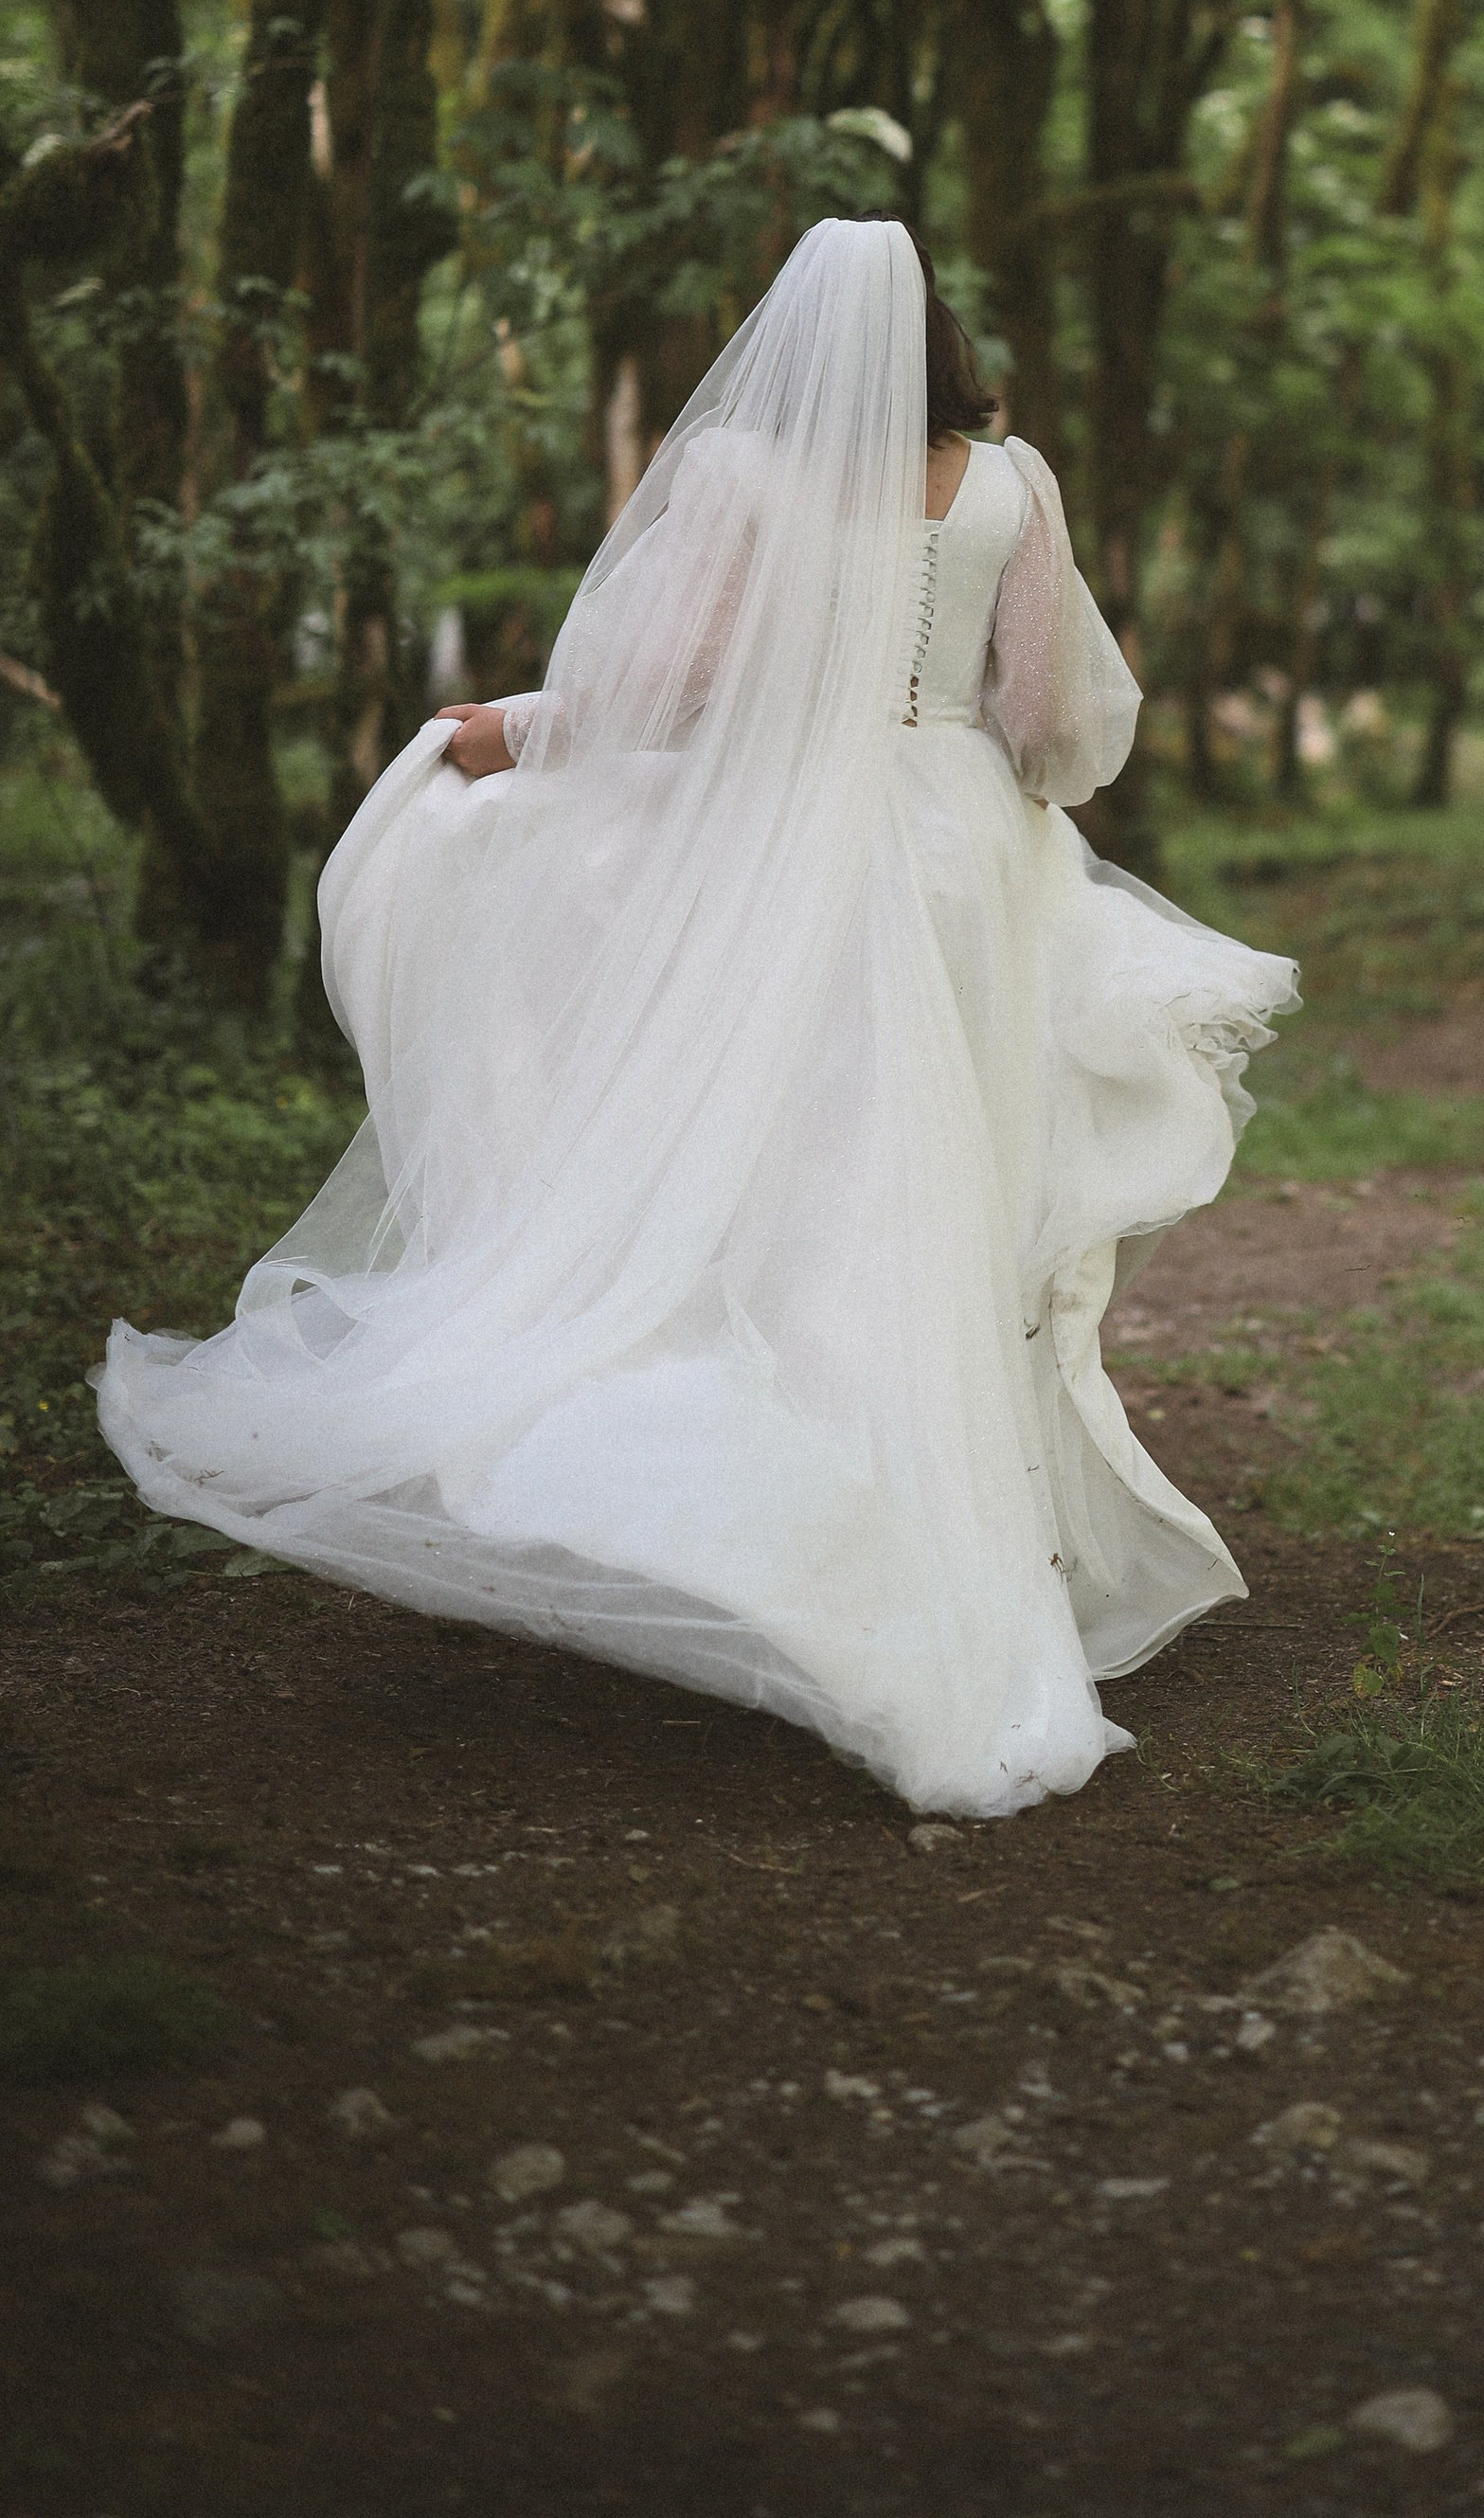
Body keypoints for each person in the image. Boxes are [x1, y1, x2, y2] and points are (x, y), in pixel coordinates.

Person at [97, 221, 1296, 1821]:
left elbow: (664, 690)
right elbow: (1059, 724)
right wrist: (971, 775)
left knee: (788, 1193)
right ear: (941, 340)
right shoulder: (1014, 486)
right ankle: (961, 1545)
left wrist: (521, 731)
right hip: (963, 867)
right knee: (949, 1198)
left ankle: (801, 1538)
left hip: (798, 855)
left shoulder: (744, 475)